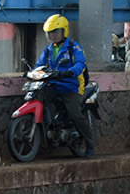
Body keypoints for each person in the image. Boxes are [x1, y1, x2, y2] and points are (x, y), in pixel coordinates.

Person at [36, 13, 96, 157]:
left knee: (75, 114)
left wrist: (69, 72)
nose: (52, 35)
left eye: (55, 31)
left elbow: (80, 64)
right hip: (53, 85)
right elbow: (39, 65)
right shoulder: (49, 50)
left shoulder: (73, 47)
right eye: (50, 33)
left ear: (64, 31)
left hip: (71, 86)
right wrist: (31, 73)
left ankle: (90, 144)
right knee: (41, 100)